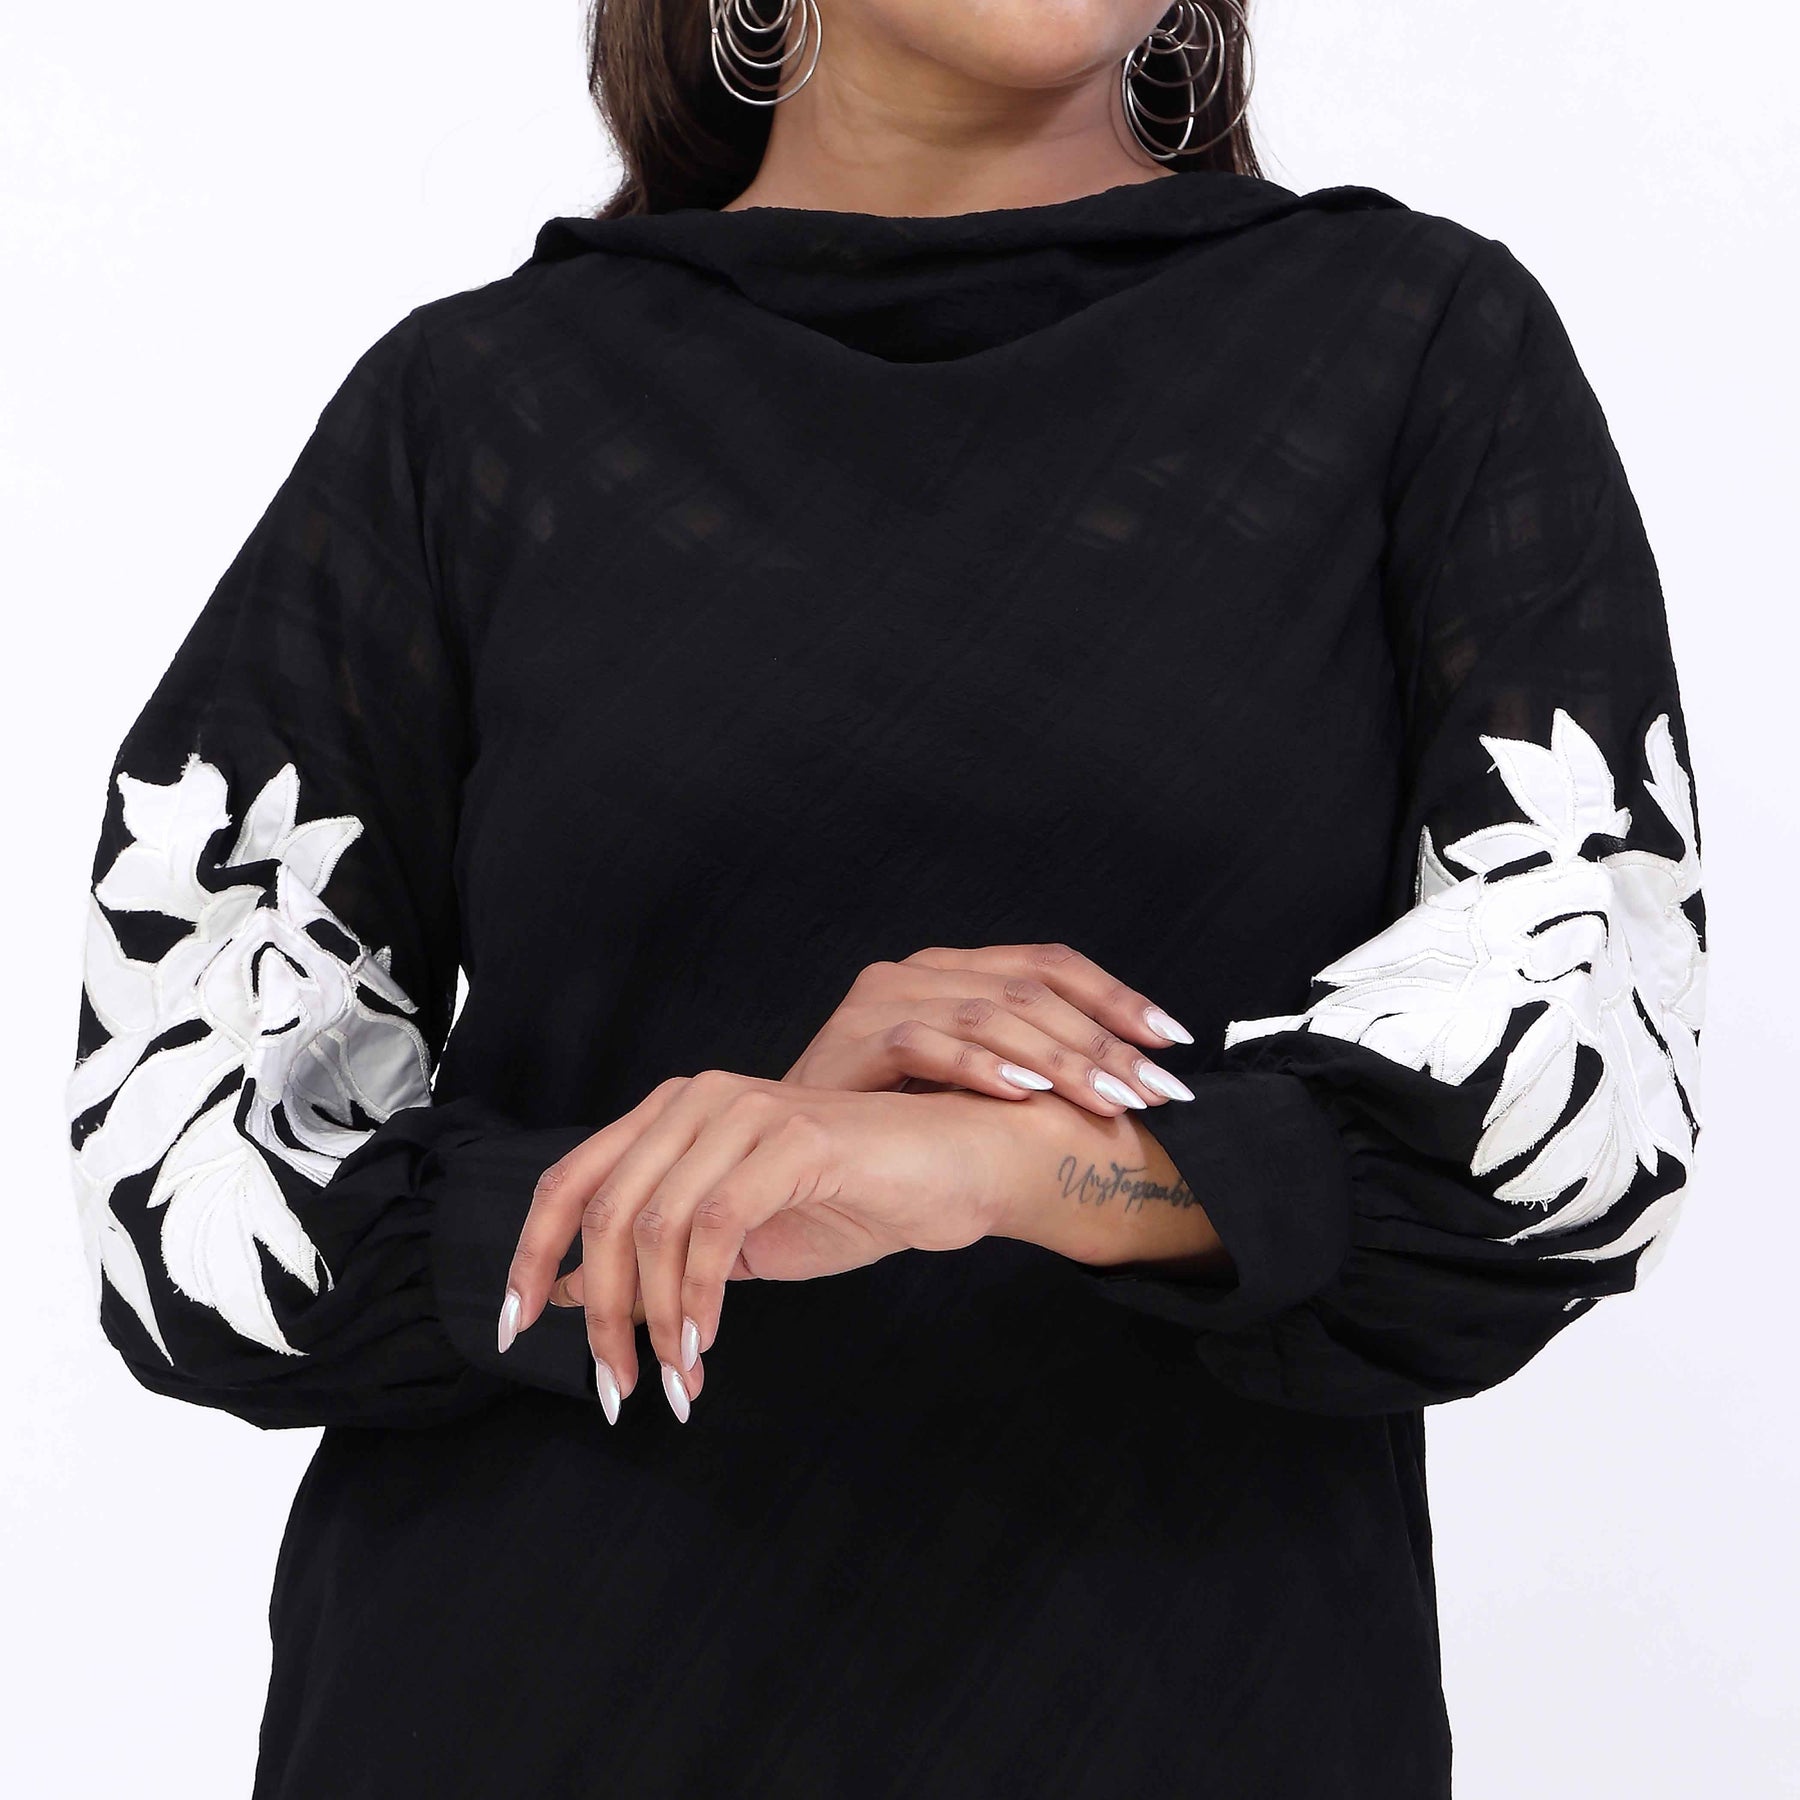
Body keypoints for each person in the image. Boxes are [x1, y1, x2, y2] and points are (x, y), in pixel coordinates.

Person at [63, 2, 1704, 1794]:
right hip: (528, 1704)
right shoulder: (474, 411)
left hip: (1190, 1710)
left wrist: (986, 1167)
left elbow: (1572, 1118)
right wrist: (723, 1187)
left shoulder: (1417, 353)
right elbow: (185, 1181)